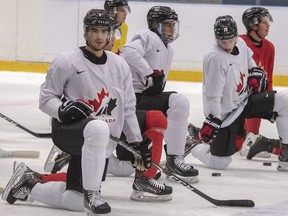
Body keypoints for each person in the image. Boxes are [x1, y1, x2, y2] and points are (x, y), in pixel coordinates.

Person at [1, 9, 171, 215]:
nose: (99, 36)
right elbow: (46, 99)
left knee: (74, 200)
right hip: (69, 130)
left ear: (110, 34)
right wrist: (62, 110)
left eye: (103, 31)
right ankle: (92, 194)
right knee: (99, 128)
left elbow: (127, 107)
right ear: (85, 33)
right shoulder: (67, 61)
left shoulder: (120, 65)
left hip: (102, 139)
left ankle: (29, 184)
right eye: (94, 31)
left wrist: (137, 142)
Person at [190, 15, 288, 172]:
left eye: (230, 40)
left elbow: (250, 62)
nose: (228, 45)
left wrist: (257, 73)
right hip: (227, 113)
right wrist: (213, 119)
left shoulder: (241, 43)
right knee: (220, 162)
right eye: (223, 41)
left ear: (236, 36)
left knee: (285, 101)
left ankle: (285, 153)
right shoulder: (215, 58)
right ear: (217, 39)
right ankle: (191, 144)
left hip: (246, 100)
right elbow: (212, 95)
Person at [121, 5, 199, 182]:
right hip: (133, 99)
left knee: (177, 104)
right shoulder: (148, 36)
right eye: (168, 25)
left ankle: (174, 157)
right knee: (178, 101)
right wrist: (148, 72)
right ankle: (174, 159)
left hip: (145, 98)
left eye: (173, 25)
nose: (172, 29)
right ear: (155, 24)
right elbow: (128, 51)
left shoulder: (168, 49)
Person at [239, 7, 281, 159]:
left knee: (281, 102)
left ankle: (253, 138)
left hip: (255, 98)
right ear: (253, 25)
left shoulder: (269, 47)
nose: (268, 25)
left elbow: (268, 78)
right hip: (237, 99)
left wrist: (270, 103)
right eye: (264, 22)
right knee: (234, 143)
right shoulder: (239, 43)